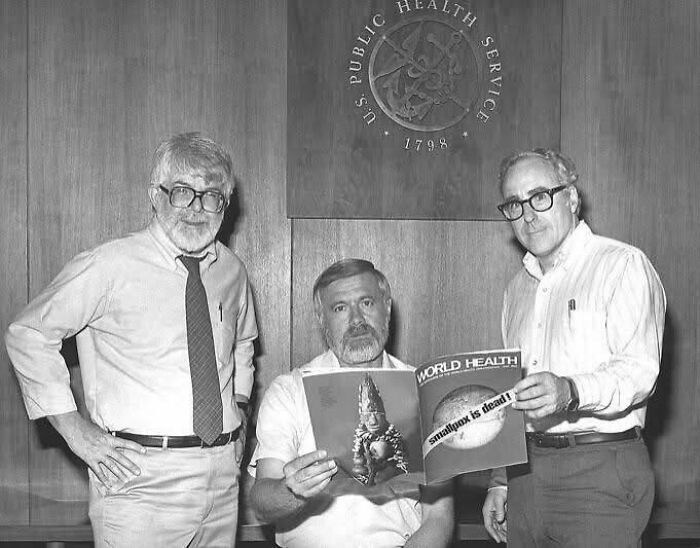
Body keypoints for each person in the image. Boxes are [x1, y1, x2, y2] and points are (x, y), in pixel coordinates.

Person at [5, 132, 258, 547]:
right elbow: (28, 333)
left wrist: (242, 409)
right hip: (138, 481)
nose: (197, 208)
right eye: (182, 192)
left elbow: (244, 345)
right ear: (155, 196)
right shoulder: (108, 266)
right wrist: (73, 429)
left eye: (211, 195)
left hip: (222, 475)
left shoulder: (231, 271)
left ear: (225, 206)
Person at [482, 148, 666, 547]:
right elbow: (515, 394)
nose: (528, 215)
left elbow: (639, 371)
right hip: (525, 477)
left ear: (571, 198)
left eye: (540, 196)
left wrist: (570, 390)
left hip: (598, 475)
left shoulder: (622, 265)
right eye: (514, 204)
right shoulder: (516, 291)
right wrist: (501, 481)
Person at [249, 258, 454, 548]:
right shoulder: (289, 390)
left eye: (367, 303)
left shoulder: (424, 388)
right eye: (340, 308)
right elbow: (262, 501)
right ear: (322, 319)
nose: (356, 320)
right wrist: (292, 490)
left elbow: (439, 516)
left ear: (387, 308)